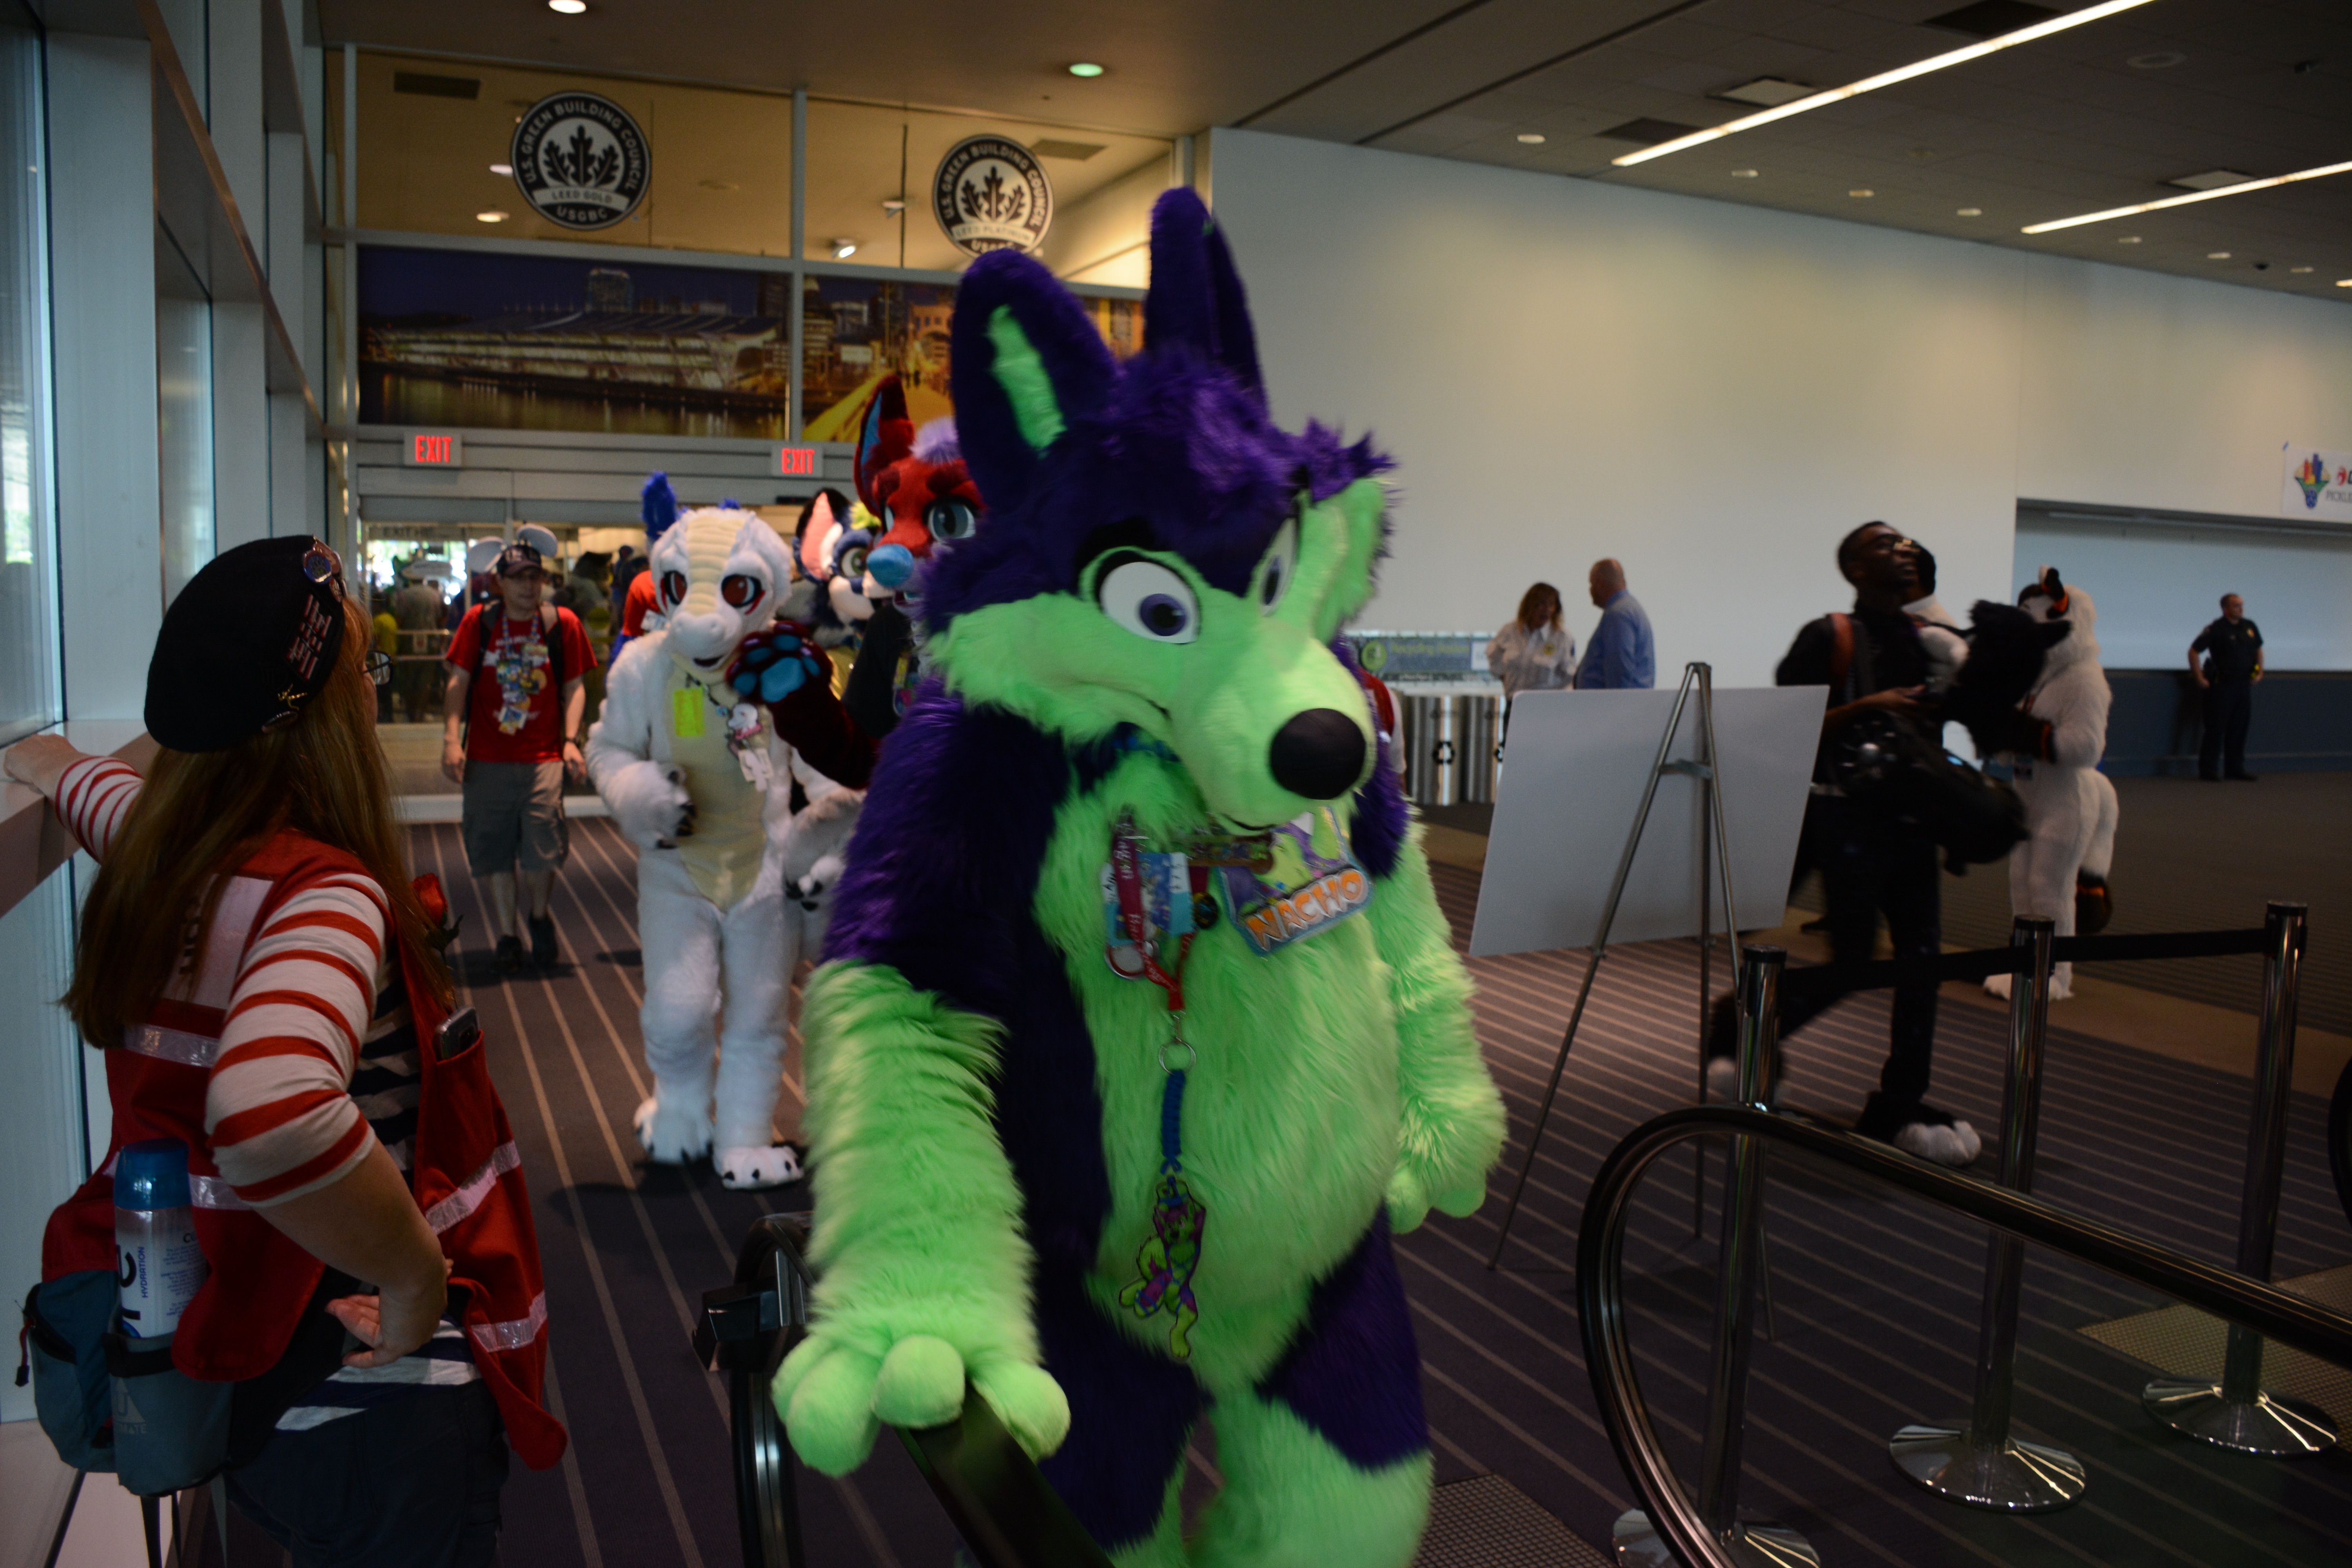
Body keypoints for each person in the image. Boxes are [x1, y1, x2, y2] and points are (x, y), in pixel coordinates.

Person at [4, 536, 561, 1566]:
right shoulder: (323, 897)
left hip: (256, 1393)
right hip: (374, 1402)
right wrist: (412, 1279)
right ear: (332, 715)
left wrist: (54, 760)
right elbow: (271, 1112)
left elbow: (87, 790)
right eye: (363, 673)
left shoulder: (168, 856)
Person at [1711, 521, 1981, 1167]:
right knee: (1857, 960)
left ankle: (1900, 1102)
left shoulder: (1929, 641)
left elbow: (1937, 734)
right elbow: (1789, 726)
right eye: (1883, 545)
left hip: (1912, 824)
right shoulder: (1827, 637)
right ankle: (1744, 1019)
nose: (1901, 550)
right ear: (1855, 569)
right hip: (1848, 822)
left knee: (1922, 967)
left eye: (1904, 543)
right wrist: (1867, 707)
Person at [441, 543, 595, 969]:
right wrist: (451, 740)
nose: (528, 586)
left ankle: (539, 915)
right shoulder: (480, 622)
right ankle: (508, 934)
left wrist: (570, 740)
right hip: (486, 759)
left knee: (543, 848)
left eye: (535, 577)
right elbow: (458, 682)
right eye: (518, 578)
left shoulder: (560, 624)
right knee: (494, 852)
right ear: (500, 583)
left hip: (543, 757)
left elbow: (575, 687)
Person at [2189, 593, 2263, 781]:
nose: (2241, 608)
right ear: (2226, 608)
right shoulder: (2216, 629)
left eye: (2241, 605)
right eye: (2236, 605)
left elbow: (2258, 649)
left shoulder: (2249, 627)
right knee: (2216, 729)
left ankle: (2235, 769)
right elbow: (2194, 651)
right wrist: (2199, 677)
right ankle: (2208, 770)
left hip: (2243, 685)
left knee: (2239, 728)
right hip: (2222, 685)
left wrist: (2259, 671)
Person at [1485, 582, 1576, 702]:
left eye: (1551, 604)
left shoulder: (1562, 638)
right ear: (1529, 606)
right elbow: (1493, 655)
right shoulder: (1510, 631)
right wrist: (1505, 677)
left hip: (1546, 705)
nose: (1547, 610)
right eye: (1541, 604)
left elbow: (1569, 677)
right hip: (1514, 702)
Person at [1573, 558, 1654, 689]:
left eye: (1592, 585)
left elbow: (1619, 668)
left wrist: (1616, 700)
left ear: (1600, 585)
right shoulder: (1629, 608)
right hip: (1629, 699)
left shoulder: (1618, 615)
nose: (1591, 591)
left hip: (1615, 701)